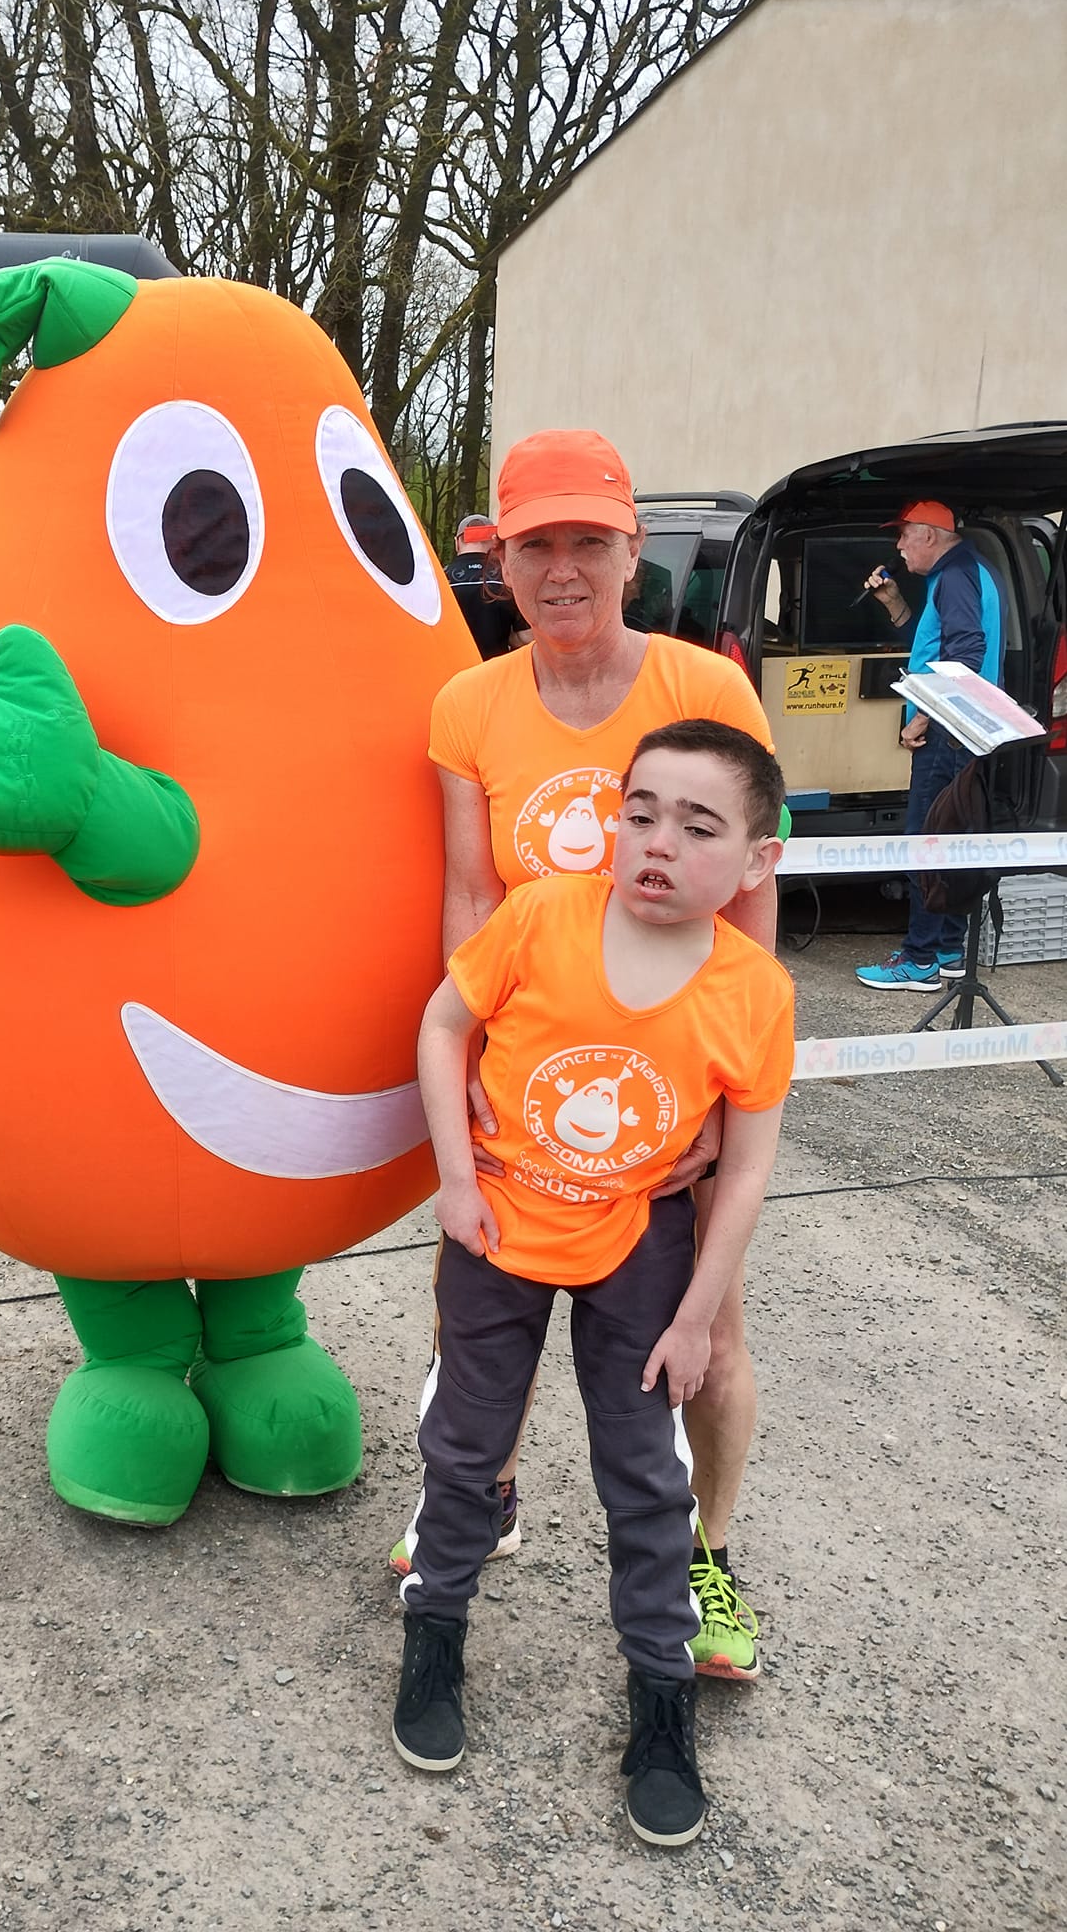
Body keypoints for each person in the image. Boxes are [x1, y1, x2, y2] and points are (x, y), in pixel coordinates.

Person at [390, 429, 779, 1686]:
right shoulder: (469, 702)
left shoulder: (706, 688)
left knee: (703, 1334)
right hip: (531, 1080)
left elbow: (754, 913)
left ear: (630, 553)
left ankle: (705, 1555)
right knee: (480, 1304)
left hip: (680, 1083)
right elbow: (468, 895)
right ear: (500, 559)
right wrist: (479, 1083)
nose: (562, 569)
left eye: (587, 542)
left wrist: (725, 1104)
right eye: (533, 544)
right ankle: (479, 1494)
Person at [394, 720, 793, 1848]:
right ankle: (434, 1640)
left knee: (645, 1480)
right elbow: (442, 1023)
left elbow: (749, 1164)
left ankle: (660, 1702)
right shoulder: (540, 916)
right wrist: (455, 1180)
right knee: (464, 1451)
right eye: (642, 811)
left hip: (645, 1245)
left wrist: (699, 1316)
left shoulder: (754, 991)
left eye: (699, 825)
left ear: (757, 860)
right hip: (499, 1229)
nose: (659, 841)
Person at [856, 499, 1002, 990]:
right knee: (952, 836)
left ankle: (918, 960)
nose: (898, 546)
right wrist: (895, 602)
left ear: (929, 536)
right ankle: (947, 951)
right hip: (966, 728)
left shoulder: (956, 576)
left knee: (927, 840)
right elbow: (933, 645)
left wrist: (924, 717)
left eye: (903, 536)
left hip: (950, 730)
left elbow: (965, 652)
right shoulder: (964, 571)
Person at [444, 512, 526, 658]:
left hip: (452, 673)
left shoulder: (441, 581)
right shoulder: (507, 580)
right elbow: (525, 638)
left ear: (457, 543)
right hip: (497, 673)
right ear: (494, 542)